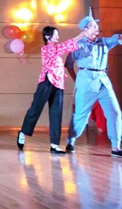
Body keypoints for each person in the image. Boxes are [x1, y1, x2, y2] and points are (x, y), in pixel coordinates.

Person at [65, 13, 122, 159]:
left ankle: (116, 147)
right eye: (93, 26)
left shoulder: (104, 42)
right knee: (80, 115)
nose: (96, 27)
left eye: (96, 25)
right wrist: (77, 80)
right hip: (86, 83)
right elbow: (68, 64)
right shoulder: (78, 45)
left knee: (115, 113)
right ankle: (71, 140)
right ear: (85, 29)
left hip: (104, 82)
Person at [16, 25, 86, 154]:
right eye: (55, 34)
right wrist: (80, 36)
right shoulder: (47, 49)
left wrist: (82, 37)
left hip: (58, 84)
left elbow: (66, 48)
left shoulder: (56, 49)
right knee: (35, 109)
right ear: (48, 36)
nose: (58, 36)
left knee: (56, 113)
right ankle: (23, 132)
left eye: (58, 34)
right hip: (46, 82)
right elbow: (63, 47)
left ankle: (54, 145)